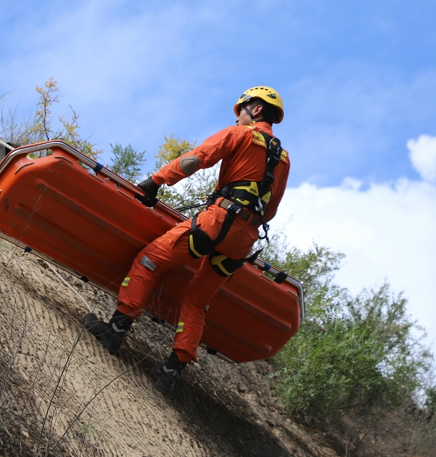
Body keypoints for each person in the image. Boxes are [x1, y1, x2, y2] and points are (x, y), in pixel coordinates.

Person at [84, 86, 290, 394]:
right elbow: (270, 211)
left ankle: (115, 330)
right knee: (198, 299)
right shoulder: (283, 160)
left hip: (218, 221)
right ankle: (171, 371)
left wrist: (155, 181)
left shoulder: (241, 136)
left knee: (149, 259)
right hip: (243, 241)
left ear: (256, 109)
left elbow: (197, 159)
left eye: (241, 112)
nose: (237, 119)